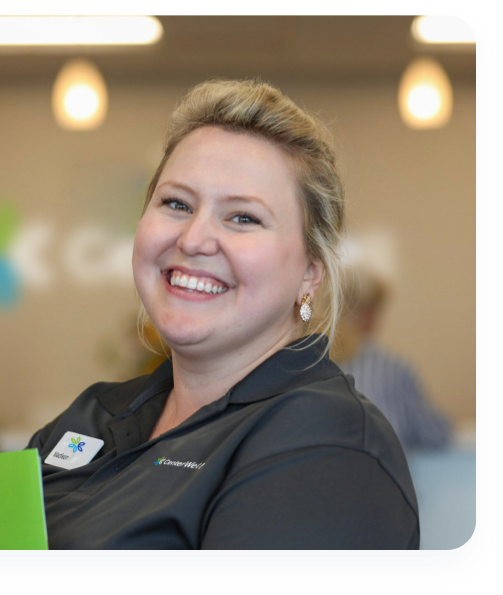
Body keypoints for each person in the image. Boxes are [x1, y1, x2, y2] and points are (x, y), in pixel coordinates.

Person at [25, 79, 419, 549]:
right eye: (176, 203)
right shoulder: (92, 415)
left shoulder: (328, 444)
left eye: (243, 217)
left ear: (310, 273)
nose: (193, 239)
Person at [334, 264, 452, 451]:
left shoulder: (310, 363)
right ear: (367, 313)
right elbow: (434, 434)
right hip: (385, 476)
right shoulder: (392, 369)